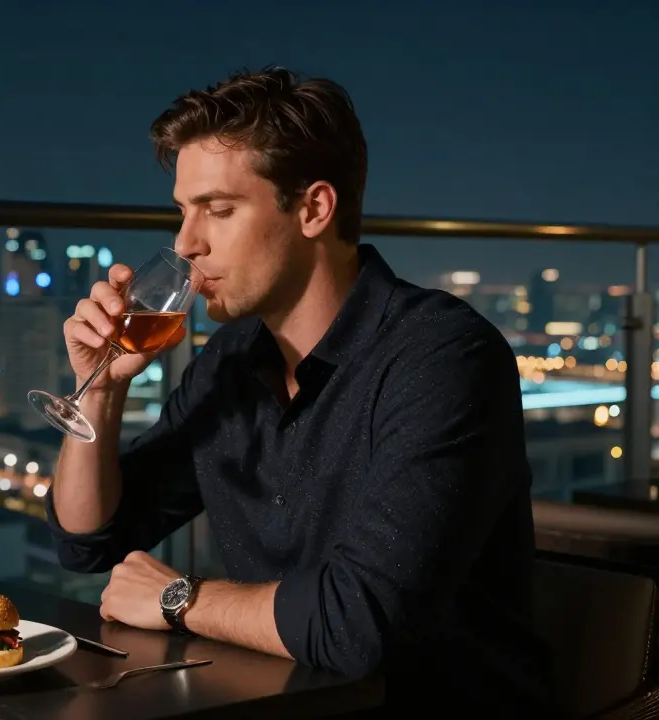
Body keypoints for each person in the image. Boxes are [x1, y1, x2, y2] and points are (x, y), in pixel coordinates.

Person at [47, 67, 552, 713]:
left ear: (313, 208)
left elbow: (358, 625)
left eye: (219, 210)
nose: (185, 243)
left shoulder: (444, 358)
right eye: (183, 211)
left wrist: (180, 599)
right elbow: (88, 541)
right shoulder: (231, 361)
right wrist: (101, 391)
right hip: (283, 701)